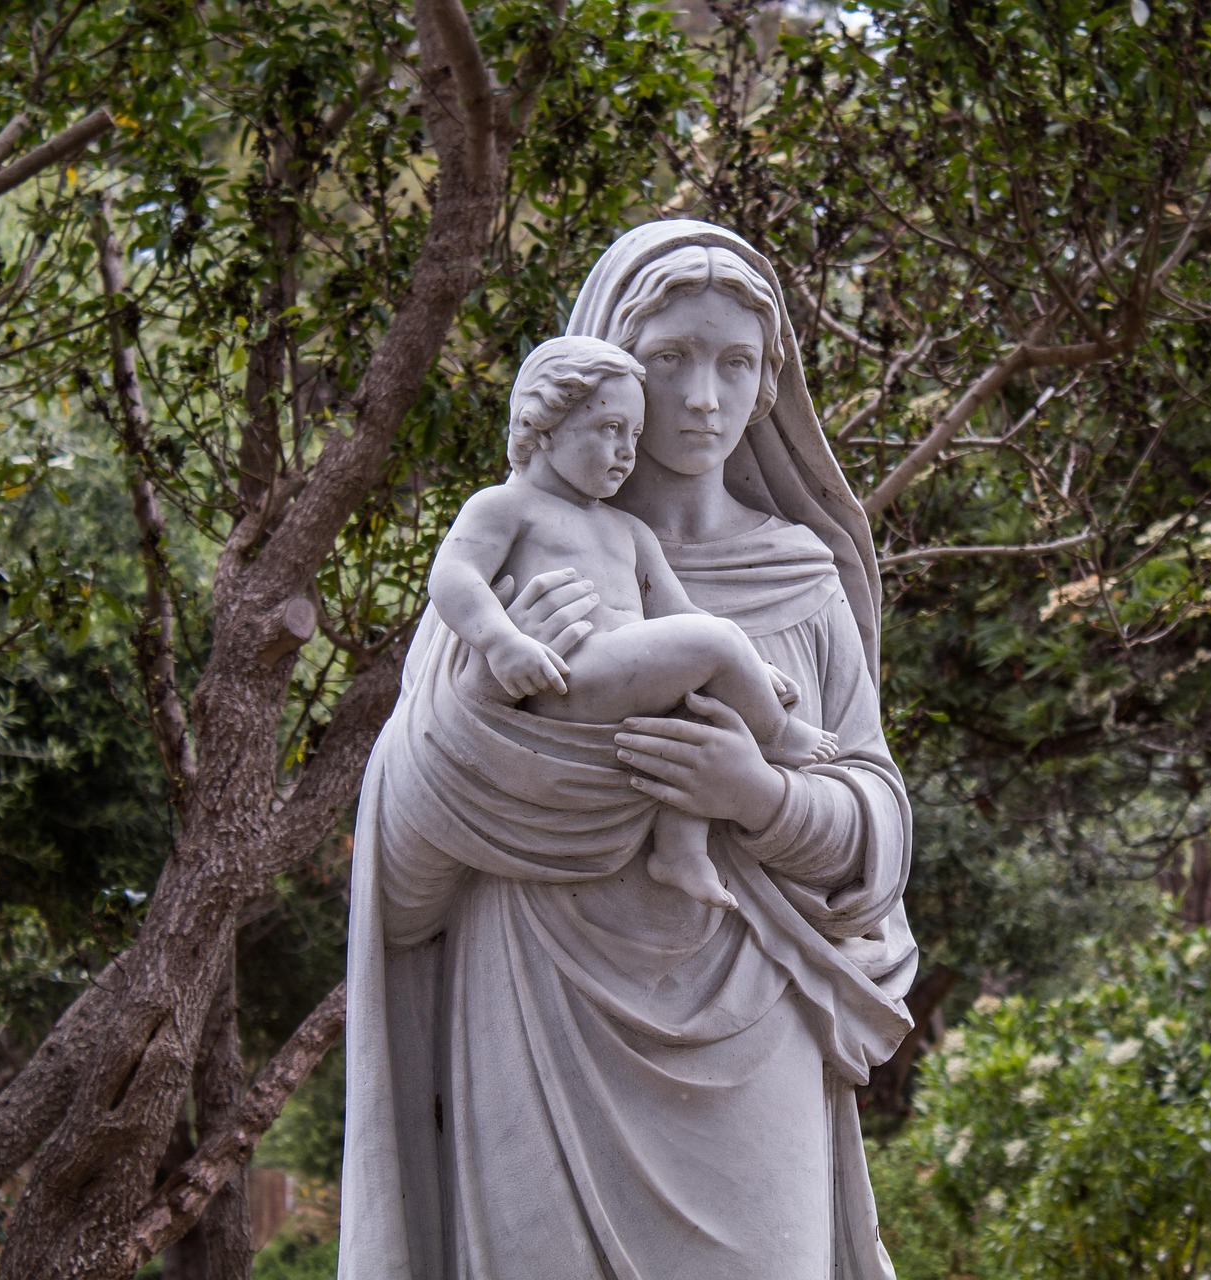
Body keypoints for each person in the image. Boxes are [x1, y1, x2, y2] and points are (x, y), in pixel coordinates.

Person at [341, 220, 914, 1280]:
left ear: (771, 379)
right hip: (534, 1006)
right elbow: (406, 890)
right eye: (670, 359)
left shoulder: (803, 577)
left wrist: (758, 796)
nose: (703, 396)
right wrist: (481, 716)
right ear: (609, 365)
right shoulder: (516, 574)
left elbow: (876, 842)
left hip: (751, 1029)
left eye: (736, 362)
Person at [427, 334, 836, 909]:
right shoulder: (505, 506)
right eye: (609, 429)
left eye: (635, 435)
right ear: (543, 426)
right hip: (570, 678)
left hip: (622, 681)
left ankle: (679, 849)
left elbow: (680, 614)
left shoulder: (626, 530)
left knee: (699, 713)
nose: (627, 451)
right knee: (715, 644)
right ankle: (780, 737)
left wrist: (752, 669)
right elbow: (454, 576)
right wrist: (501, 642)